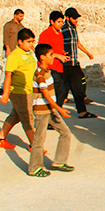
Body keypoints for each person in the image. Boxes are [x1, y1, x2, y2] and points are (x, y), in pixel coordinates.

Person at [29, 43, 75, 177]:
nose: (53, 57)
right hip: (42, 111)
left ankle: (59, 161)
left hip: (50, 110)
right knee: (39, 139)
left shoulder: (47, 71)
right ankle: (34, 167)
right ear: (42, 57)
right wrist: (60, 109)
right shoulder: (40, 74)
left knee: (65, 132)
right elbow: (46, 95)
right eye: (50, 55)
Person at [0, 28, 36, 150]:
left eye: (32, 41)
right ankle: (35, 146)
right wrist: (5, 94)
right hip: (19, 92)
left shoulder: (29, 54)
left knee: (15, 116)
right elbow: (8, 75)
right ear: (20, 42)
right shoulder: (14, 56)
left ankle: (0, 139)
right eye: (28, 42)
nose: (31, 44)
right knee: (27, 118)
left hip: (28, 90)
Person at [59, 7, 97, 119]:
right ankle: (54, 114)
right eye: (74, 18)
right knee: (63, 90)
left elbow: (77, 43)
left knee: (79, 87)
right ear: (67, 18)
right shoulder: (63, 29)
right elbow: (59, 43)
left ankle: (82, 111)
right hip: (66, 64)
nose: (76, 20)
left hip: (74, 63)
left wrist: (87, 53)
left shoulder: (73, 28)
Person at [38, 11, 70, 106]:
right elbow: (42, 52)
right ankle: (55, 109)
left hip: (59, 66)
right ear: (52, 22)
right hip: (50, 67)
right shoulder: (46, 34)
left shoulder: (60, 34)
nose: (61, 24)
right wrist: (58, 55)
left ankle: (56, 109)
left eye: (62, 22)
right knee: (59, 88)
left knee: (62, 90)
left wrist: (63, 53)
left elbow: (58, 48)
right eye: (59, 22)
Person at [0, 9, 24, 95]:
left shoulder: (21, 27)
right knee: (6, 68)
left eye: (22, 16)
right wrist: (7, 49)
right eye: (20, 16)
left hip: (17, 51)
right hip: (9, 50)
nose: (22, 18)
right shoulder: (8, 25)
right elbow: (6, 38)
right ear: (15, 15)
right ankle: (0, 86)